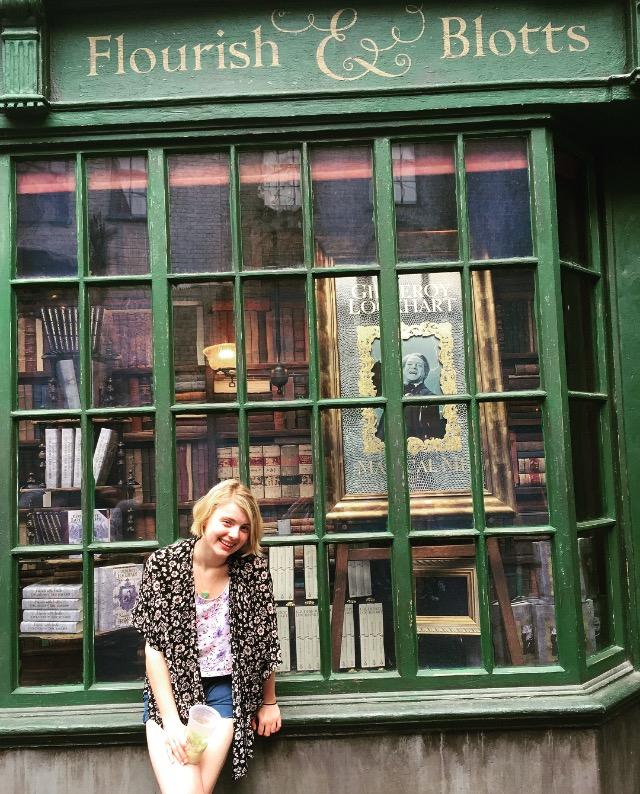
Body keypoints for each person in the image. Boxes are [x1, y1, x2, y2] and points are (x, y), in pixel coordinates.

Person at [131, 479, 282, 794]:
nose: (234, 535)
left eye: (243, 528)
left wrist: (269, 701)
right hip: (171, 692)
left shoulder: (252, 571)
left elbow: (265, 640)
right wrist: (172, 722)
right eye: (227, 522)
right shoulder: (163, 565)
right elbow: (154, 649)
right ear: (205, 517)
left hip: (223, 694)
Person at [375, 352, 447, 441]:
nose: (413, 367)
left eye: (419, 365)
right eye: (409, 364)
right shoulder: (391, 393)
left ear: (425, 373)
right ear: (403, 370)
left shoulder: (429, 397)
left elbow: (431, 433)